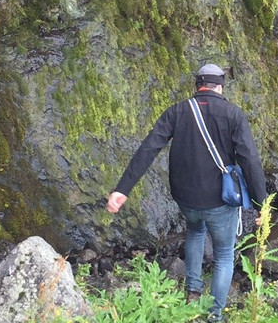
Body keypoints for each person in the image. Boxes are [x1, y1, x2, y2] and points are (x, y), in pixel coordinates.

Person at [106, 63, 268, 321]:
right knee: (224, 254)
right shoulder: (233, 114)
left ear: (198, 86)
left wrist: (122, 189)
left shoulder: (177, 112)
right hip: (219, 199)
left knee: (195, 230)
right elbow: (250, 160)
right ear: (220, 86)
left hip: (185, 199)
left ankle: (193, 290)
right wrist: (262, 203)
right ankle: (215, 315)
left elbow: (148, 149)